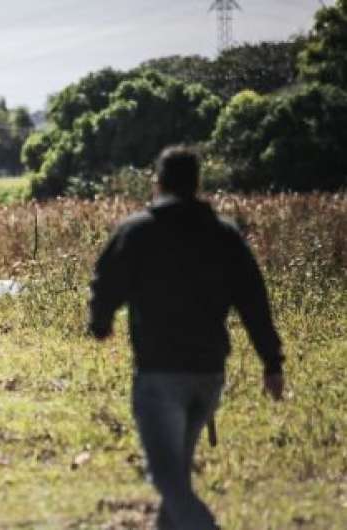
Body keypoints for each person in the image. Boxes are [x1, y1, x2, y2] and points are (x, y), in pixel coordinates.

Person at [87, 145, 285, 530]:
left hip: (160, 374)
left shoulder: (138, 231)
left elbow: (106, 280)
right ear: (197, 183)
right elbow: (253, 302)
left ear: (157, 182)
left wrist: (100, 321)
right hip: (209, 374)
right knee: (176, 475)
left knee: (167, 480)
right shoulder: (224, 235)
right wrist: (271, 362)